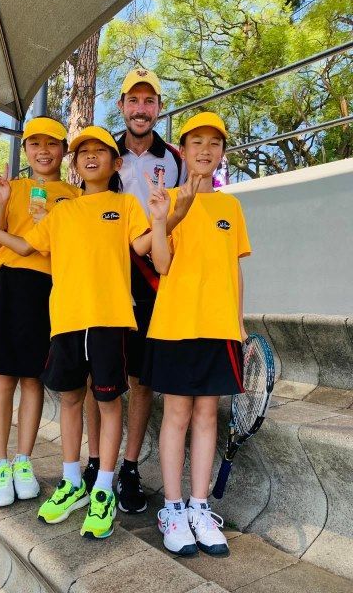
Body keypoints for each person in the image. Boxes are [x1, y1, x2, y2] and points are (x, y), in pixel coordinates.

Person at [0, 126, 152, 539]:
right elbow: (22, 246)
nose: (91, 157)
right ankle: (72, 481)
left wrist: (166, 218)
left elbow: (143, 247)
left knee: (107, 402)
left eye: (100, 152)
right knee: (70, 398)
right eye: (83, 152)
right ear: (76, 164)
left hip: (109, 320)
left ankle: (103, 487)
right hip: (66, 320)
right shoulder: (61, 212)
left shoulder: (124, 205)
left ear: (116, 162)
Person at [83, 68, 192, 514]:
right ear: (123, 104)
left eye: (150, 101)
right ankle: (94, 465)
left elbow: (184, 216)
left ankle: (128, 469)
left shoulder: (177, 158)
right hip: (104, 278)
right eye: (134, 100)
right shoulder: (102, 153)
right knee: (97, 376)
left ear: (158, 108)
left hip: (151, 278)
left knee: (141, 378)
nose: (141, 109)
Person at [142, 112, 251, 557]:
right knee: (177, 416)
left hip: (219, 328)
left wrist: (240, 323)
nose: (205, 150)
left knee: (208, 417)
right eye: (195, 143)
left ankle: (199, 508)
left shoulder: (232, 207)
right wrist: (162, 219)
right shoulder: (165, 199)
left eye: (214, 143)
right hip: (175, 325)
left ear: (222, 152)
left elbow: (236, 272)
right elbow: (162, 264)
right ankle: (171, 508)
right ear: (182, 151)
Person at [0, 117, 80, 508]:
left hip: (48, 290)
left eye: (52, 144)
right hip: (9, 285)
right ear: (26, 149)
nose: (43, 151)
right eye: (35, 144)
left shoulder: (73, 195)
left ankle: (23, 461)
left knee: (33, 380)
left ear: (64, 150)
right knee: (2, 380)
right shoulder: (10, 187)